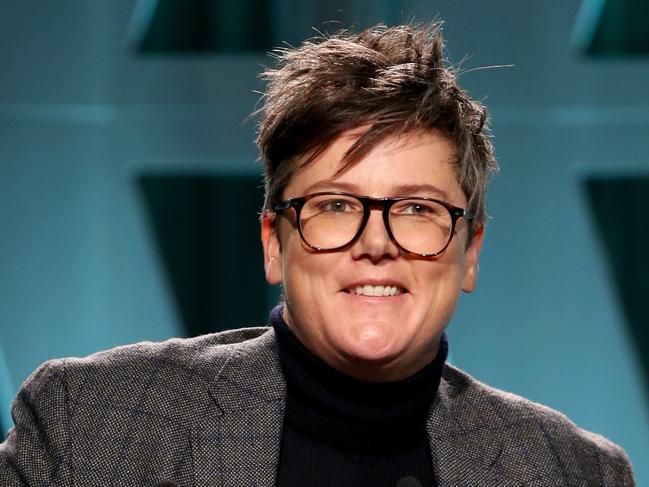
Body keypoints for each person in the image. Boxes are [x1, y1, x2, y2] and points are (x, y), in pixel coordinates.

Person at [0, 22, 635, 487]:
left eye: (417, 209)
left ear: (470, 252)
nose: (376, 243)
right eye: (336, 205)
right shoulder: (90, 428)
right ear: (274, 244)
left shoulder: (574, 471)